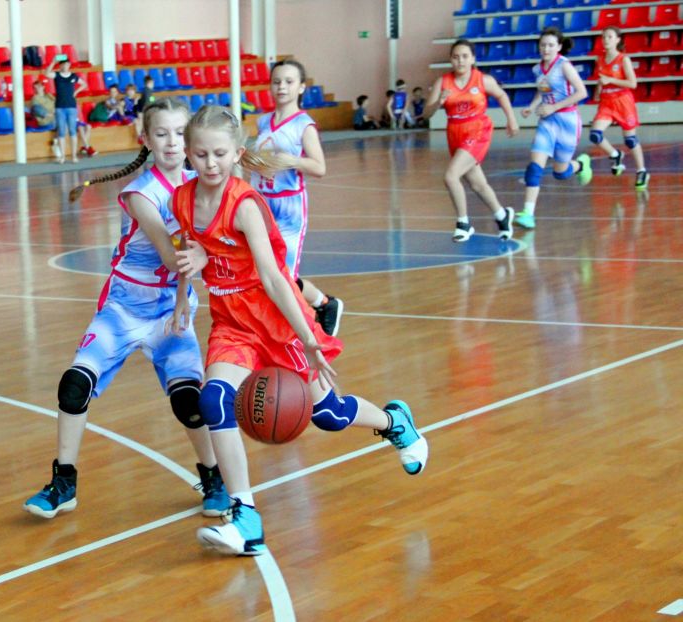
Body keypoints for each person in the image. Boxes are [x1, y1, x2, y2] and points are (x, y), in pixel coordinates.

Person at [169, 105, 429, 556]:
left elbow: (274, 279)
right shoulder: (182, 199)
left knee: (328, 414)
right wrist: (185, 289)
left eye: (219, 154)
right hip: (232, 322)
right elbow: (193, 253)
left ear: (237, 154)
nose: (210, 163)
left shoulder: (245, 205)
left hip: (274, 319)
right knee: (213, 399)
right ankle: (245, 517)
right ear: (188, 155)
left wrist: (309, 338)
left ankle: (394, 421)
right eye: (201, 154)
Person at [24, 98, 230, 520]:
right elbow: (175, 256)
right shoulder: (140, 193)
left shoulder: (201, 186)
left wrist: (189, 286)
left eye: (179, 133)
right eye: (161, 134)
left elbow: (208, 246)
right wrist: (206, 254)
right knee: (74, 386)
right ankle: (64, 482)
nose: (171, 142)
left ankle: (214, 478)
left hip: (171, 312)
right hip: (123, 308)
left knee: (189, 402)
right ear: (146, 140)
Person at [251, 59, 344, 336]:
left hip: (289, 207)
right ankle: (323, 303)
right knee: (263, 272)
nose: (282, 87)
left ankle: (299, 331)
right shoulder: (263, 121)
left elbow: (319, 167)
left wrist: (292, 160)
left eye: (289, 82)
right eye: (277, 81)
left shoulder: (304, 125)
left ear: (301, 87)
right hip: (261, 203)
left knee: (283, 277)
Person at [422, 39, 519, 242]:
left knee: (451, 176)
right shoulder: (442, 82)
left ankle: (463, 224)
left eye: (465, 56)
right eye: (456, 57)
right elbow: (426, 114)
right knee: (477, 184)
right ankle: (502, 215)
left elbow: (501, 95)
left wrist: (511, 119)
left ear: (473, 59)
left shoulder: (483, 80)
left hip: (477, 130)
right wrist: (438, 102)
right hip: (455, 132)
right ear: (451, 60)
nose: (460, 61)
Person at [515, 27, 593, 230]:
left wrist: (554, 107)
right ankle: (528, 213)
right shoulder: (537, 69)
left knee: (561, 173)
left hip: (568, 121)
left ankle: (581, 164)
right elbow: (543, 91)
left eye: (550, 45)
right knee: (535, 167)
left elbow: (582, 92)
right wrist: (532, 106)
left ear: (558, 47)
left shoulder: (564, 66)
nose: (546, 49)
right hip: (547, 122)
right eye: (543, 45)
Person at [590, 26, 649, 190]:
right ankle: (615, 154)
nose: (606, 40)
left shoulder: (623, 59)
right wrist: (598, 90)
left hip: (623, 101)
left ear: (617, 40)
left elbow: (633, 83)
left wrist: (611, 80)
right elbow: (601, 80)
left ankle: (641, 171)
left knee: (630, 140)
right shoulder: (599, 60)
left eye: (609, 37)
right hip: (606, 101)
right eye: (604, 37)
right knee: (595, 134)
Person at [46, 54, 86, 163]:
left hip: (71, 106)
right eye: (63, 64)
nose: (65, 66)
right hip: (59, 107)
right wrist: (53, 62)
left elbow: (84, 84)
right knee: (61, 132)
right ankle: (63, 156)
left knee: (73, 131)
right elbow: (47, 73)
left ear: (69, 65)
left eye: (67, 64)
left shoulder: (73, 76)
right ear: (60, 65)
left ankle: (73, 156)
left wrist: (76, 92)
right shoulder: (57, 75)